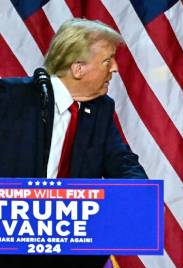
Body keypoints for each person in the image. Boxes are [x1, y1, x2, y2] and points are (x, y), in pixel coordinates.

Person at [0, 18, 146, 180]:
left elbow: (122, 162)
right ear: (78, 69)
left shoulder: (101, 109)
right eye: (107, 61)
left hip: (70, 206)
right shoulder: (10, 97)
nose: (115, 68)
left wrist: (144, 194)